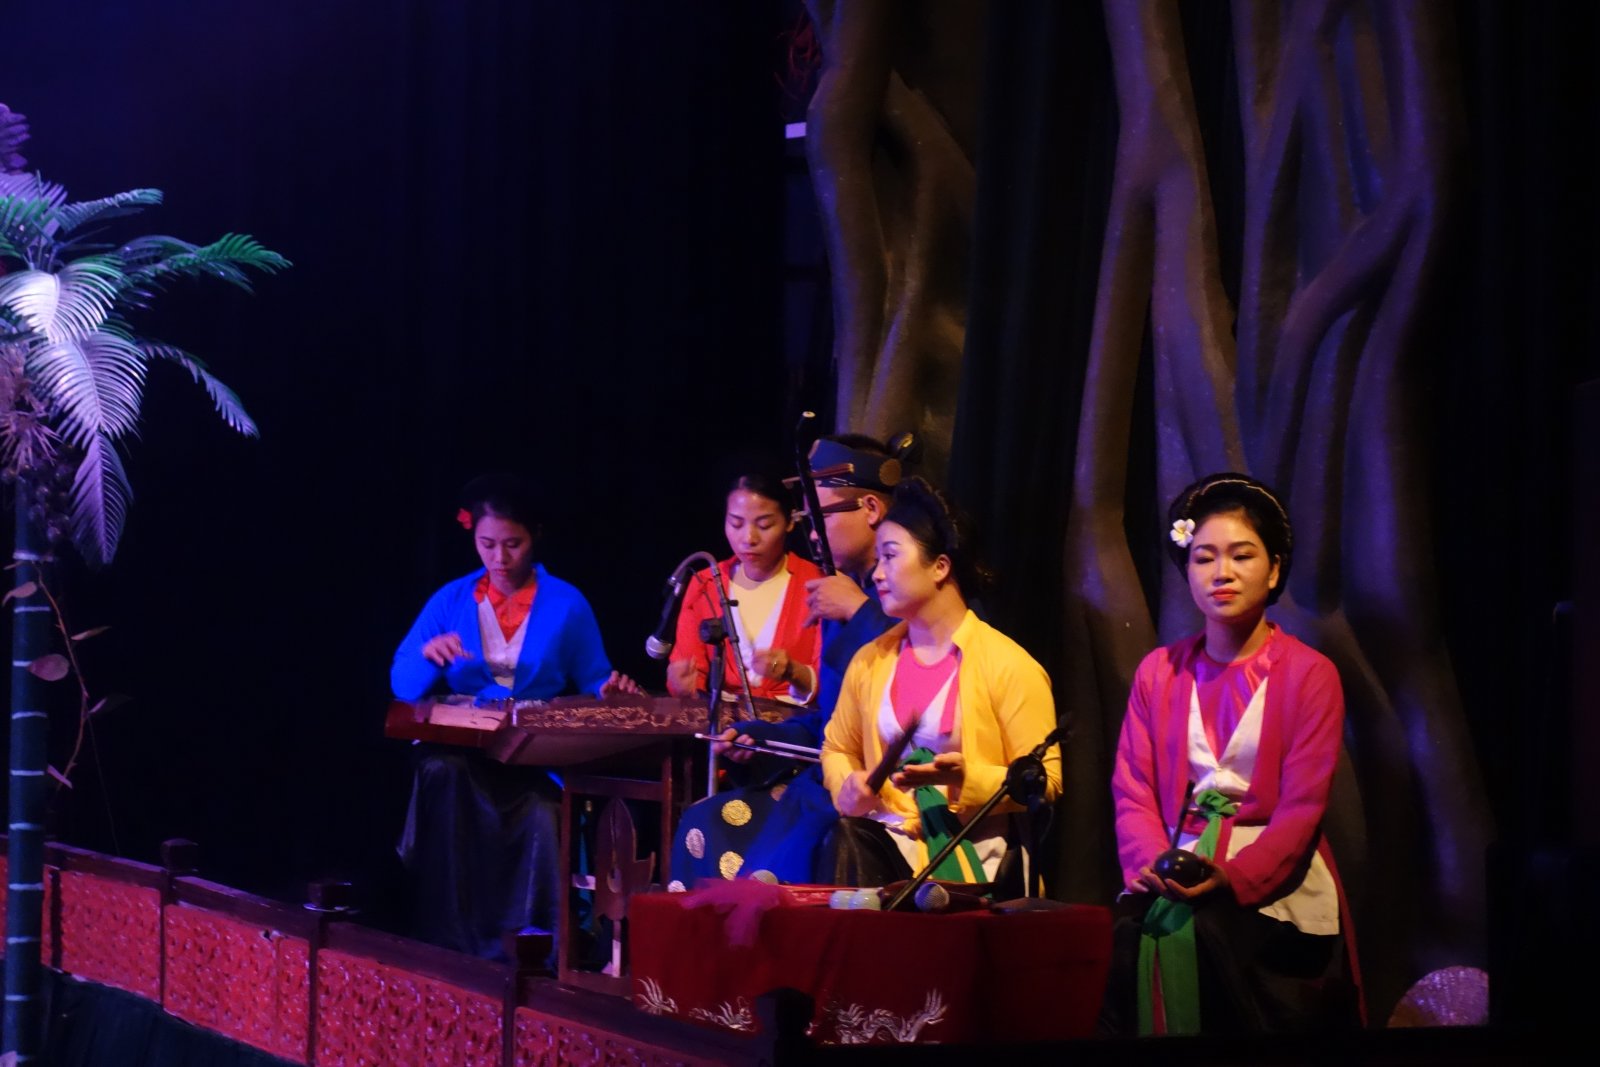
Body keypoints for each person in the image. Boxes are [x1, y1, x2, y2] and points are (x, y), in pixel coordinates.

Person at [1099, 472, 1362, 1036]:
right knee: (1124, 940)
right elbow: (1133, 788)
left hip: (1275, 881)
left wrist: (1236, 877)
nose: (1222, 572)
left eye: (1242, 556)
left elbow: (1302, 809)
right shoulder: (1158, 672)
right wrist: (1152, 863)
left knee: (1212, 939)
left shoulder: (1310, 675)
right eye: (1204, 558)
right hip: (1176, 863)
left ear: (1274, 569)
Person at [391, 473, 639, 960]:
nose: (500, 559)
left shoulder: (566, 603)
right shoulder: (452, 599)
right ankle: (448, 942)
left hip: (530, 755)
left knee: (545, 815)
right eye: (487, 545)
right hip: (464, 750)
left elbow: (594, 676)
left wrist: (609, 689)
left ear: (535, 537)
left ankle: (537, 950)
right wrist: (428, 656)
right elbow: (402, 682)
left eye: (513, 544)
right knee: (442, 775)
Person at [666, 435, 904, 888]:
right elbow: (829, 725)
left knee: (773, 864)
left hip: (881, 791)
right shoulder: (843, 591)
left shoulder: (901, 593)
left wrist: (860, 612)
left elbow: (920, 684)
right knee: (704, 822)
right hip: (823, 781)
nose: (812, 535)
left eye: (822, 519)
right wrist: (760, 739)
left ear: (872, 509)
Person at [820, 477, 1062, 888]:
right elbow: (837, 747)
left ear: (940, 567)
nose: (878, 573)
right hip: (887, 843)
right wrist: (848, 784)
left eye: (890, 556)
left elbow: (1047, 780)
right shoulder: (870, 660)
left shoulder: (1008, 664)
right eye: (878, 559)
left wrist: (968, 778)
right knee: (842, 837)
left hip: (974, 857)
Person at [665, 470, 822, 705]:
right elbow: (689, 675)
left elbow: (836, 682)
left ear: (790, 521)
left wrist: (793, 672)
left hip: (797, 721)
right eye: (736, 524)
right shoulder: (705, 584)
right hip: (726, 722)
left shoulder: (817, 583)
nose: (749, 538)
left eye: (765, 525)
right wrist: (683, 686)